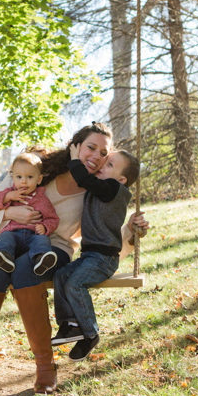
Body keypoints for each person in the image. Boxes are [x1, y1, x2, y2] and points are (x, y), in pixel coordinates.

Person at [0, 122, 148, 395]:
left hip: (54, 250)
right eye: (90, 147)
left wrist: (131, 230)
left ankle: (45, 367)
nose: (95, 156)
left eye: (103, 153)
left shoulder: (94, 189)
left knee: (26, 270)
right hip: (8, 241)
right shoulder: (37, 168)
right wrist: (12, 214)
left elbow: (105, 239)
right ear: (76, 146)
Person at [51, 145, 140, 361]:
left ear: (121, 180)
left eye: (109, 164)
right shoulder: (102, 188)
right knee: (60, 275)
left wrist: (74, 160)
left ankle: (90, 333)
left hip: (104, 259)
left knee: (75, 283)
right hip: (89, 256)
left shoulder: (113, 189)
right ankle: (70, 324)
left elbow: (85, 180)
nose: (103, 165)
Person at [0, 152, 59, 277]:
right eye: (19, 177)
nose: (24, 181)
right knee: (5, 238)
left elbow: (53, 219)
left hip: (32, 235)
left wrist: (45, 227)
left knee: (42, 240)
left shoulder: (42, 200)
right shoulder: (10, 193)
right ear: (13, 178)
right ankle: (3, 257)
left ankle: (41, 259)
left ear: (39, 179)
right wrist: (8, 197)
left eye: (29, 177)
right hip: (12, 233)